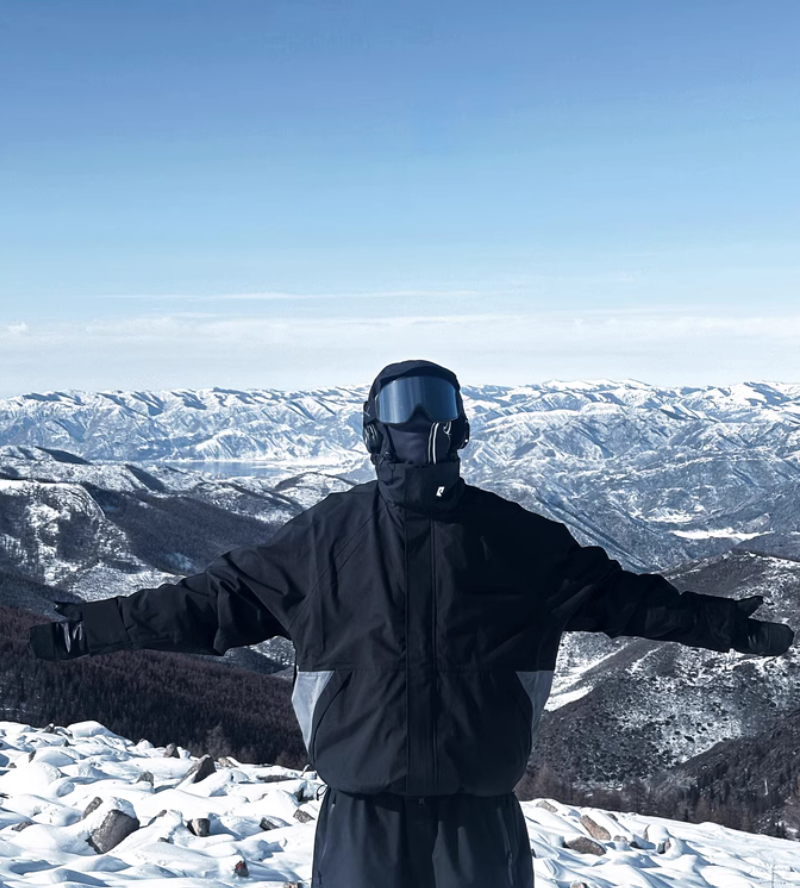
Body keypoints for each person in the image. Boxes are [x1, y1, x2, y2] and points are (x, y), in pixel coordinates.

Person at [30, 359, 794, 888]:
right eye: (405, 410)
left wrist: (725, 625)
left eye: (436, 407)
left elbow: (629, 600)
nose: (422, 424)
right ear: (375, 432)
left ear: (458, 428)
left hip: (473, 817)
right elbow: (206, 604)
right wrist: (90, 628)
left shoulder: (516, 541)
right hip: (369, 816)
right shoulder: (328, 539)